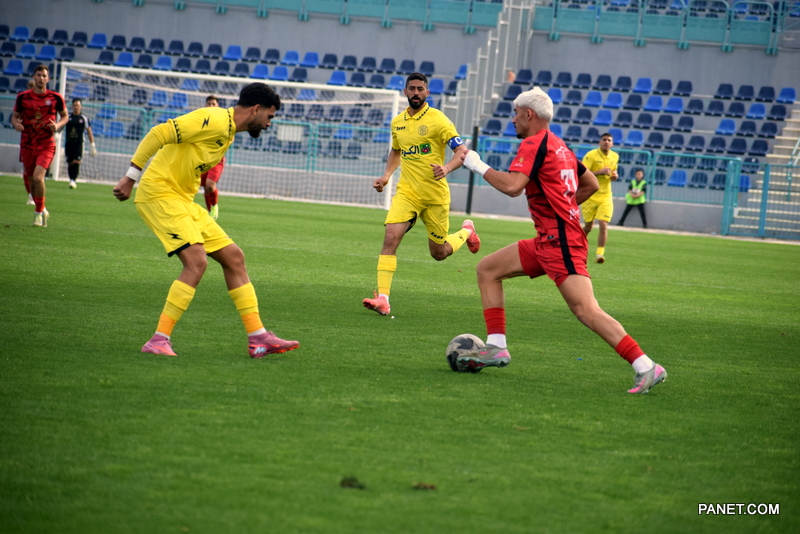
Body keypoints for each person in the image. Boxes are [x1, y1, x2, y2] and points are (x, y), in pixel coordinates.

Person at [458, 87, 667, 394]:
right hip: (549, 239)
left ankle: (645, 366)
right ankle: (496, 347)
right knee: (488, 270)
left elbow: (514, 187)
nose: (513, 119)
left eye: (516, 113)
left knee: (586, 310)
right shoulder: (560, 146)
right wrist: (563, 206)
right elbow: (591, 183)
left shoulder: (533, 143)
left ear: (529, 114)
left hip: (561, 243)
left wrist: (476, 164)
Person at [112, 83, 299, 358]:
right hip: (160, 195)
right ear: (256, 109)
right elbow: (159, 132)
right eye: (269, 116)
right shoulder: (213, 119)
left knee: (234, 257)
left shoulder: (228, 133)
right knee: (197, 262)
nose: (270, 123)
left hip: (183, 200)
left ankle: (258, 338)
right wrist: (130, 178)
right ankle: (158, 340)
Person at [362, 72, 481, 317]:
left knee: (439, 253)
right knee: (390, 238)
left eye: (420, 89)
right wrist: (386, 175)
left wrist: (446, 168)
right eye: (412, 88)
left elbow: (462, 152)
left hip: (435, 196)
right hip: (407, 193)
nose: (415, 93)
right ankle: (383, 299)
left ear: (427, 93)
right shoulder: (398, 122)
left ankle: (467, 231)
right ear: (405, 91)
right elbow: (396, 151)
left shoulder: (439, 119)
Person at [12, 65, 68, 226]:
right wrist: (16, 124)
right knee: (31, 182)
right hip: (27, 144)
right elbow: (14, 117)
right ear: (34, 77)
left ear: (48, 79)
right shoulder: (23, 97)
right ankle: (42, 208)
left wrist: (57, 126)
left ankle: (37, 214)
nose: (41, 78)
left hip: (46, 145)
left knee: (38, 177)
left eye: (44, 76)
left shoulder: (56, 97)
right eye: (38, 75)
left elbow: (65, 116)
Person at [580, 133, 619, 263]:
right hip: (590, 195)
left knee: (603, 224)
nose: (606, 142)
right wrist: (599, 172)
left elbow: (613, 172)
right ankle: (577, 246)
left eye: (609, 140)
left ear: (612, 143)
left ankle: (599, 254)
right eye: (604, 140)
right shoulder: (591, 155)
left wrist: (614, 176)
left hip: (605, 195)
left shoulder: (615, 156)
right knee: (588, 227)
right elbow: (582, 174)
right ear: (600, 142)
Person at [64, 97, 97, 189]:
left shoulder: (84, 118)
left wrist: (92, 144)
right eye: (74, 105)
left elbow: (89, 131)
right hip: (69, 143)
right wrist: (57, 134)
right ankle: (71, 179)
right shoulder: (68, 117)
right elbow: (61, 126)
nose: (76, 107)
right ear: (72, 106)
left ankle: (73, 180)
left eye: (78, 105)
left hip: (79, 143)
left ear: (81, 106)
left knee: (77, 161)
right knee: (70, 162)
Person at [200, 95, 224, 219]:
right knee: (205, 187)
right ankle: (210, 213)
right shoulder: (200, 119)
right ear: (205, 105)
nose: (211, 106)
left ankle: (214, 206)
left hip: (216, 159)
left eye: (213, 104)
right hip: (202, 158)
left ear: (218, 106)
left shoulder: (223, 119)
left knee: (210, 185)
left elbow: (231, 136)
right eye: (209, 103)